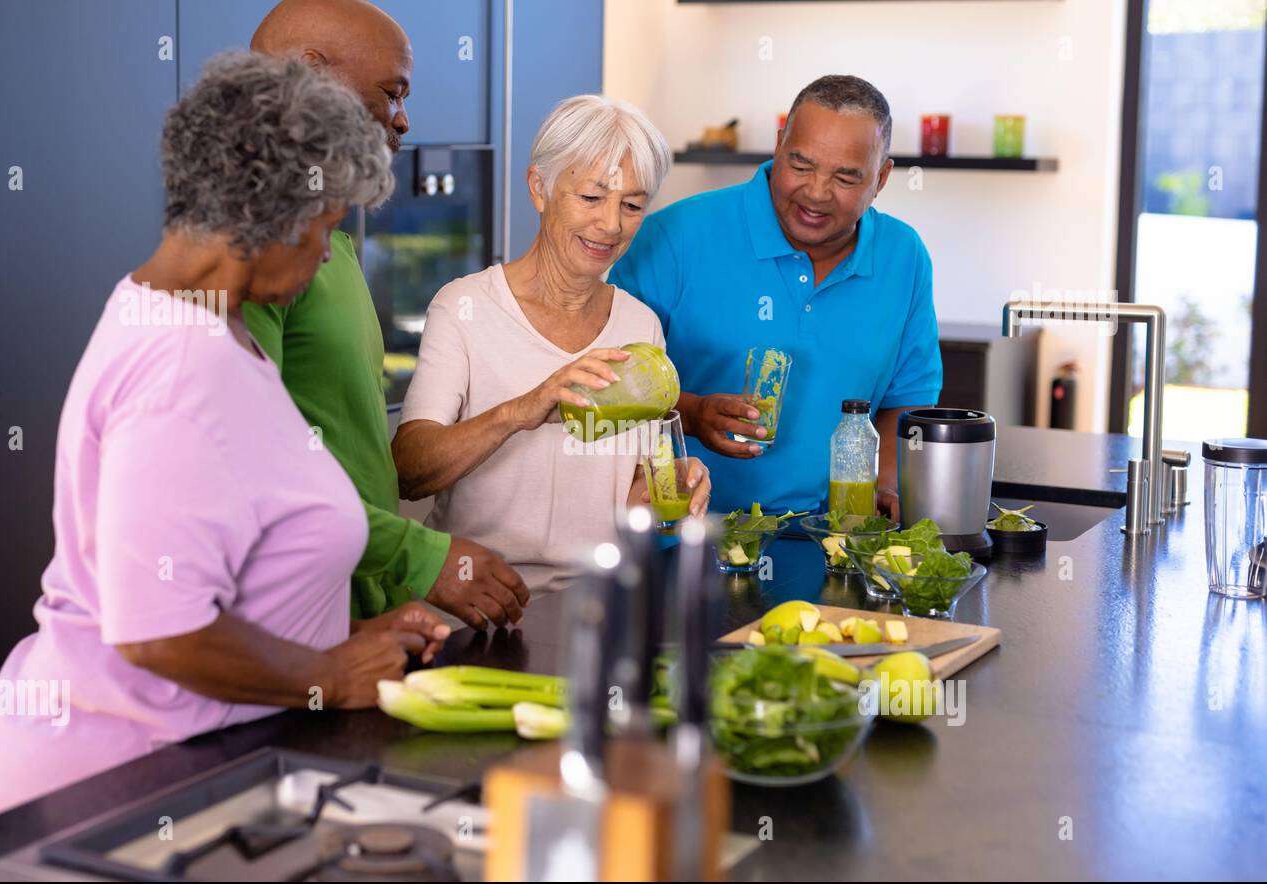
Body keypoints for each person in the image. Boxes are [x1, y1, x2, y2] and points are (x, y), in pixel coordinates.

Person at [0, 53, 449, 825]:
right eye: (325, 228)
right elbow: (157, 632)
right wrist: (330, 671)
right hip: (112, 789)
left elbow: (216, 572)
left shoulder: (196, 322)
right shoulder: (180, 366)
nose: (329, 252)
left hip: (183, 768)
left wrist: (341, 632)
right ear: (276, 219)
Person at [247, 0, 530, 630]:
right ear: (307, 74)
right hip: (288, 622)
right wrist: (421, 555)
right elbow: (251, 472)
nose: (403, 121)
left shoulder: (329, 241)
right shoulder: (259, 251)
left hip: (354, 610)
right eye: (390, 93)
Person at [392, 95, 710, 593]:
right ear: (540, 188)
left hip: (596, 596)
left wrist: (671, 484)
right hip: (476, 598)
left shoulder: (640, 324)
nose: (611, 224)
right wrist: (526, 408)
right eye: (590, 198)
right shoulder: (464, 307)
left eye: (632, 205)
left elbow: (633, 494)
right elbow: (409, 472)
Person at [610, 75, 943, 519]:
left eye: (846, 177)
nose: (816, 193)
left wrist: (883, 485)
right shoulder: (673, 237)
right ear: (779, 145)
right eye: (801, 166)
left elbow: (908, 399)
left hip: (837, 538)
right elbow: (612, 385)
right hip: (688, 531)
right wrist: (693, 414)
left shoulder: (905, 256)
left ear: (881, 177)